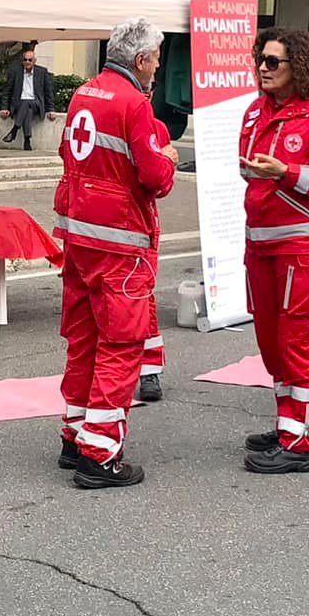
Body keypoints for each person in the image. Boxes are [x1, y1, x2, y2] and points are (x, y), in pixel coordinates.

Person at [53, 17, 176, 489]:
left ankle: (75, 435)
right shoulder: (134, 104)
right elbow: (157, 179)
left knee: (83, 340)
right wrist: (164, 154)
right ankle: (100, 454)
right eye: (157, 60)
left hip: (80, 236)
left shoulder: (85, 92)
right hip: (121, 242)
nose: (158, 68)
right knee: (121, 346)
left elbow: (71, 154)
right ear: (141, 60)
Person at [237, 28, 309, 475]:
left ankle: (300, 442)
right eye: (261, 60)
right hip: (260, 245)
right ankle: (288, 422)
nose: (263, 68)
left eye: (273, 62)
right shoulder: (254, 112)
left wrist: (287, 172)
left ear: (296, 67)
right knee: (271, 343)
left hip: (301, 249)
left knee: (296, 341)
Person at [135, 108, 173, 405]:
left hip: (136, 225)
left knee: (141, 299)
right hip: (120, 224)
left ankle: (148, 369)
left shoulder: (156, 126)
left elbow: (159, 185)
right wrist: (167, 163)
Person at [0, 45, 54, 149]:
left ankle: (14, 130)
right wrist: (4, 108)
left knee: (27, 103)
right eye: (25, 60)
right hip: (19, 104)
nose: (27, 62)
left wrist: (51, 109)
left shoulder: (42, 72)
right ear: (22, 61)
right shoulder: (15, 72)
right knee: (27, 109)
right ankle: (27, 141)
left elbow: (48, 92)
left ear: (34, 61)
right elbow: (7, 90)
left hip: (36, 103)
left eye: (30, 60)